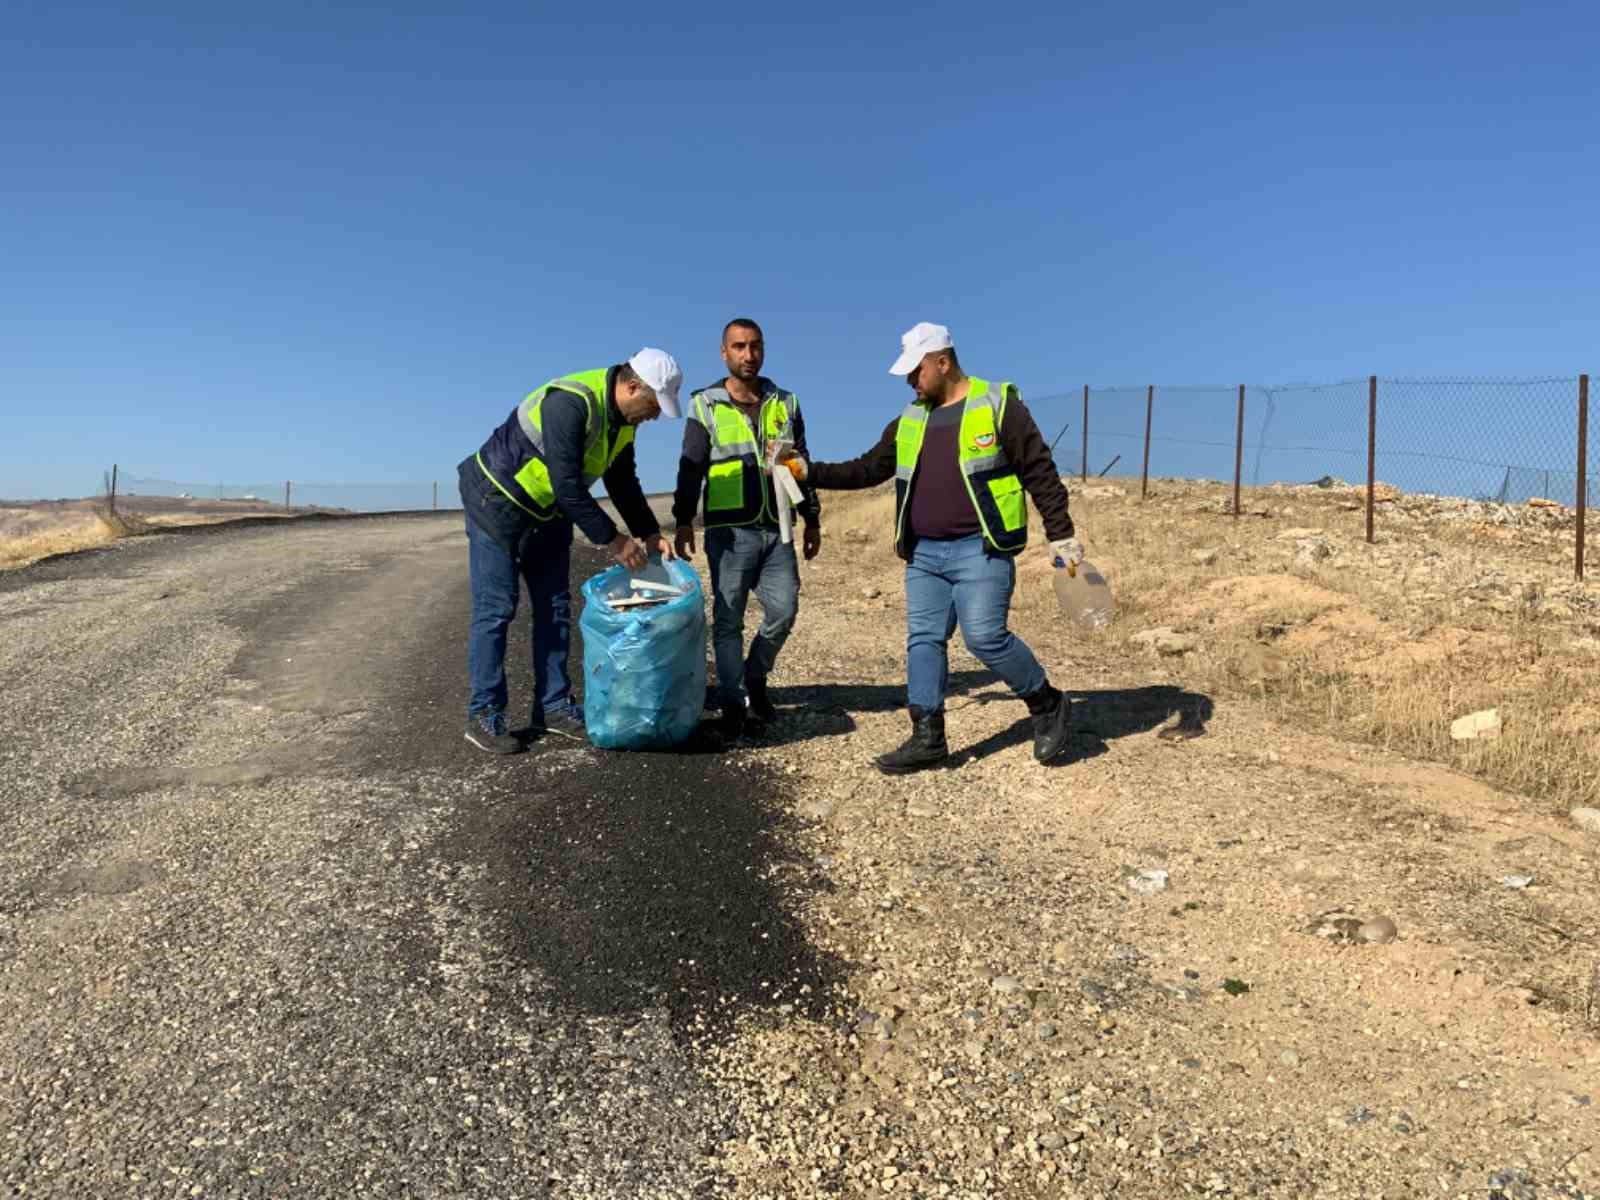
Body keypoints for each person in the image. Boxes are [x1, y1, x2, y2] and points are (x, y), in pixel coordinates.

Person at [782, 322, 1083, 774]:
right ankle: (928, 736)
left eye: (915, 370)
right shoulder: (909, 419)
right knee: (923, 641)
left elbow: (1040, 472)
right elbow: (867, 469)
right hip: (924, 554)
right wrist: (808, 471)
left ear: (942, 362)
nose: (909, 380)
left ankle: (1048, 704)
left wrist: (1061, 536)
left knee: (985, 637)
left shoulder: (999, 405)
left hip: (980, 549)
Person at [457, 349, 683, 754]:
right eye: (652, 406)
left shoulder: (623, 423)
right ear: (631, 387)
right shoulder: (571, 403)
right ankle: (484, 712)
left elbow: (623, 482)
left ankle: (554, 707)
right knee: (496, 608)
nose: (652, 417)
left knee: (555, 606)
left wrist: (649, 533)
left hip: (545, 509)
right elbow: (568, 485)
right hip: (497, 501)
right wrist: (614, 541)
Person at [672, 318, 820, 737]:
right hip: (729, 534)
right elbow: (691, 467)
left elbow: (801, 464)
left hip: (778, 529)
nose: (748, 355)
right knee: (728, 620)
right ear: (724, 353)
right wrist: (684, 521)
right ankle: (734, 702)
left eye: (755, 346)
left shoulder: (786, 402)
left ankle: (756, 676)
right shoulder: (705, 404)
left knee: (785, 609)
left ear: (764, 350)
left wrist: (812, 519)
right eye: (738, 347)